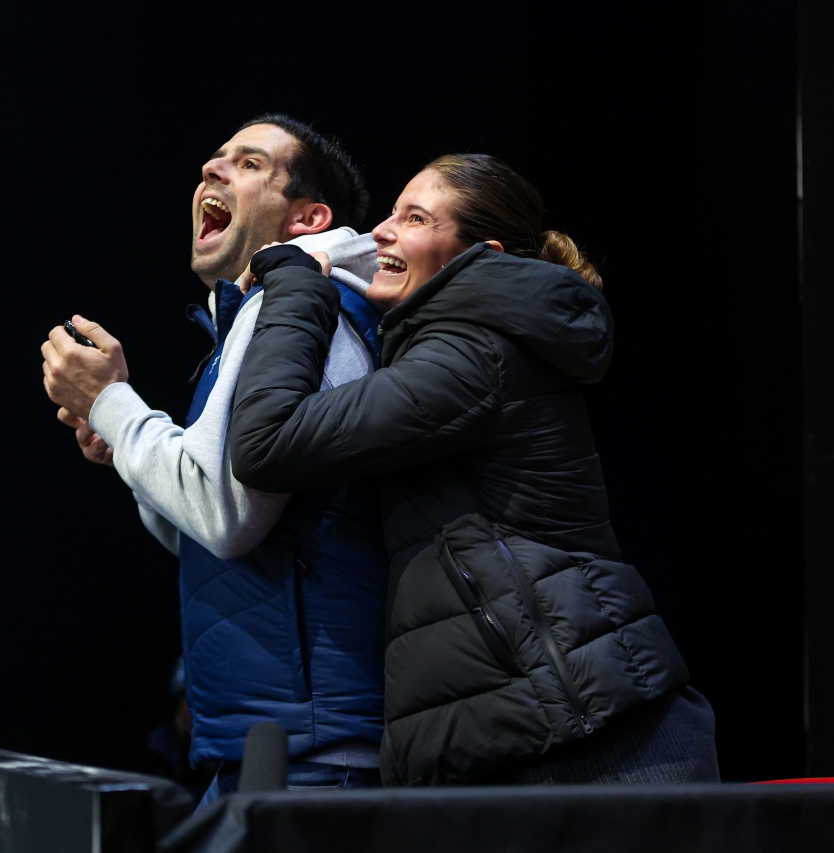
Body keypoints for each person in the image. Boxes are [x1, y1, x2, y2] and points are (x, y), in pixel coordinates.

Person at [228, 154, 719, 786]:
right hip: (523, 730)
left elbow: (268, 444)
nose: (381, 231)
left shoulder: (472, 354)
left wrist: (296, 284)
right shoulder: (455, 345)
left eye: (415, 218)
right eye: (392, 213)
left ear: (475, 254)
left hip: (593, 738)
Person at [40, 115, 388, 803]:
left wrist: (116, 403)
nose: (211, 168)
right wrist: (129, 450)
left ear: (307, 217)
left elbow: (226, 513)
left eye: (251, 163)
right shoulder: (256, 319)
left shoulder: (298, 311)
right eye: (216, 157)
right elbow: (214, 534)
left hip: (312, 756)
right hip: (272, 744)